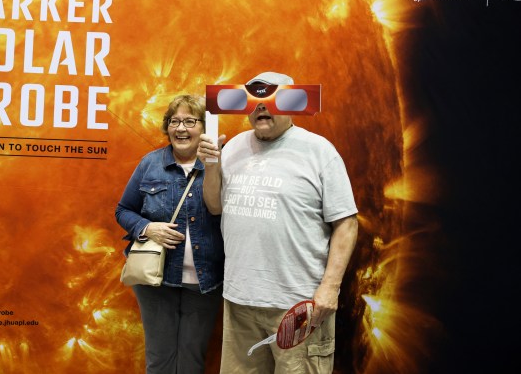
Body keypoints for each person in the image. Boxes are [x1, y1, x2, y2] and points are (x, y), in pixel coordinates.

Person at [197, 72, 358, 374]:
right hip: (240, 302)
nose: (262, 106)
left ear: (293, 104)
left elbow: (346, 223)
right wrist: (211, 166)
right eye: (254, 99)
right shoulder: (231, 148)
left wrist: (330, 288)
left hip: (300, 307)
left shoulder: (319, 151)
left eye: (272, 98)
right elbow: (215, 206)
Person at [115, 94, 224, 374]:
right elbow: (123, 210)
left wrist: (214, 166)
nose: (181, 128)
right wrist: (148, 228)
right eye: (174, 121)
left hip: (205, 282)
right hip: (155, 281)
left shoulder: (220, 163)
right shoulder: (150, 163)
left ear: (204, 128)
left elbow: (224, 212)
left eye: (190, 121)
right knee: (160, 360)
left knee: (192, 361)